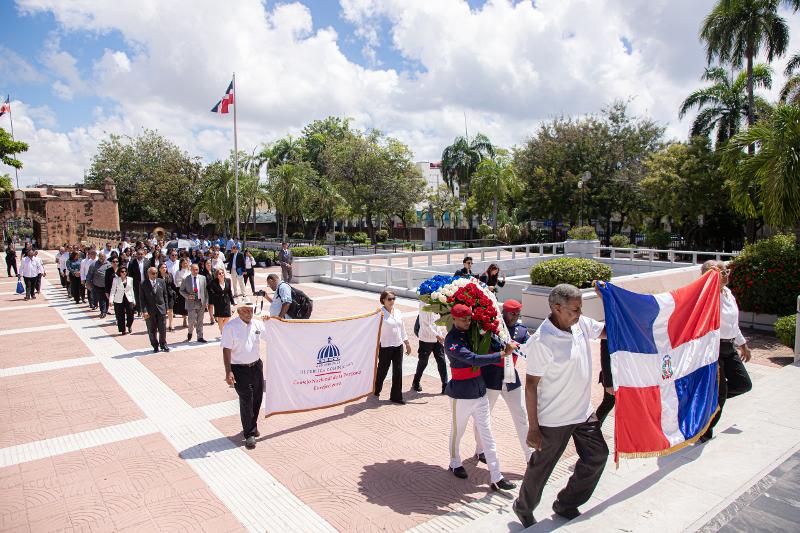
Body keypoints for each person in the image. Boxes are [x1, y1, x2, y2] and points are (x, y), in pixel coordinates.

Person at [513, 284, 608, 527]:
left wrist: (609, 300)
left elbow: (608, 331)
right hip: (554, 419)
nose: (579, 313)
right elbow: (531, 385)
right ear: (557, 308)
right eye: (574, 309)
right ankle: (523, 507)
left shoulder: (581, 325)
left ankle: (565, 503)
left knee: (597, 456)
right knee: (542, 468)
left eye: (580, 309)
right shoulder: (543, 341)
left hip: (583, 413)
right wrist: (533, 428)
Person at [445, 303, 517, 491]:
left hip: (479, 391)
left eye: (469, 318)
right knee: (457, 431)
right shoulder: (451, 339)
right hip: (460, 395)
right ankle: (454, 462)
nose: (467, 322)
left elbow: (488, 345)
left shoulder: (473, 332)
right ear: (453, 318)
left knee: (487, 433)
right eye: (463, 319)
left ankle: (496, 475)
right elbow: (473, 359)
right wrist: (502, 354)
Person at [700, 260, 752, 443]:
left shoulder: (728, 293)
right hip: (714, 349)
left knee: (744, 384)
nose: (726, 274)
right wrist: (710, 278)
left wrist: (743, 344)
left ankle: (710, 403)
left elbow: (732, 324)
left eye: (726, 270)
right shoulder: (708, 294)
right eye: (721, 271)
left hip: (729, 347)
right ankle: (705, 432)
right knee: (720, 393)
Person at [474, 299, 532, 464]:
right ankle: (480, 449)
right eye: (512, 313)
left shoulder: (521, 331)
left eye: (517, 314)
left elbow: (529, 348)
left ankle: (530, 455)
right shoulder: (492, 328)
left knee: (521, 415)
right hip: (490, 376)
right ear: (504, 312)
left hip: (511, 377)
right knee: (483, 416)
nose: (515, 317)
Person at [222, 305, 265, 449]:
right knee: (246, 399)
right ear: (239, 312)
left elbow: (272, 335)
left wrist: (272, 321)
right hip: (239, 369)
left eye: (251, 310)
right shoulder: (230, 327)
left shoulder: (257, 324)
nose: (249, 313)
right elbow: (226, 349)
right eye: (245, 311)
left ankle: (252, 425)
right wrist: (228, 371)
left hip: (256, 366)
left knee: (258, 398)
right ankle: (249, 434)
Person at [374, 290, 412, 404]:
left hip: (398, 345)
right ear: (383, 300)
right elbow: (374, 331)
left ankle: (396, 396)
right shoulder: (379, 314)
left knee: (398, 371)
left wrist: (407, 343)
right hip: (385, 346)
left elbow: (402, 329)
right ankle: (376, 389)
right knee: (382, 370)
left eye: (393, 298)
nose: (392, 301)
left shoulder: (398, 312)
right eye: (389, 299)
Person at [412, 301, 448, 395]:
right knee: (423, 362)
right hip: (426, 339)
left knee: (442, 361)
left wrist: (440, 335)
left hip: (437, 340)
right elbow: (425, 325)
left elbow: (436, 323)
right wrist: (437, 335)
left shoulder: (436, 302)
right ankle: (416, 382)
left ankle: (445, 385)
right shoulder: (423, 305)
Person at [139, 266, 170, 353]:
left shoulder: (161, 281)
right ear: (148, 274)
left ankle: (163, 344)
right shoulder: (143, 284)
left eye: (156, 273)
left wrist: (166, 308)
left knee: (162, 329)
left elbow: (165, 295)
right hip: (150, 310)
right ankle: (155, 345)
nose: (155, 275)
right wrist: (144, 311)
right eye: (153, 273)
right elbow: (142, 299)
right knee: (151, 330)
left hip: (161, 309)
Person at [180, 263, 208, 343]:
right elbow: (181, 290)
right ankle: (190, 332)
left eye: (197, 269)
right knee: (191, 320)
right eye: (194, 269)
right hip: (191, 303)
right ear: (190, 270)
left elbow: (205, 291)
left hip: (200, 302)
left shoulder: (203, 278)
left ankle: (200, 336)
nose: (196, 271)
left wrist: (206, 301)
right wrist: (187, 296)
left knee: (200, 320)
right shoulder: (186, 279)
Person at [109, 266, 136, 334]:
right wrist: (111, 300)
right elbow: (113, 290)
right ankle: (122, 329)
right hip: (119, 299)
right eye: (122, 271)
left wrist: (134, 300)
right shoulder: (116, 279)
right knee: (120, 315)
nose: (124, 273)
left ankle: (129, 325)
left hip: (128, 298)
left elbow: (131, 290)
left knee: (131, 313)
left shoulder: (130, 279)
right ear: (119, 272)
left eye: (125, 271)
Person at [208, 267, 236, 332]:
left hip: (226, 301)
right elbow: (209, 289)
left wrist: (232, 302)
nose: (221, 274)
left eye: (222, 273)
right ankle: (222, 332)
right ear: (217, 275)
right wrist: (215, 296)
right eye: (219, 273)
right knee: (220, 317)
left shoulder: (228, 280)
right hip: (218, 302)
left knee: (228, 316)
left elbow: (229, 291)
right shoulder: (214, 282)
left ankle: (222, 328)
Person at [87, 253, 112, 318]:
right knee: (101, 299)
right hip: (98, 285)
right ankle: (103, 312)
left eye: (103, 256)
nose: (101, 258)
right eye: (100, 256)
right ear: (98, 257)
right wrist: (88, 283)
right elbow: (89, 274)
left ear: (105, 257)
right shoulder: (93, 265)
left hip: (107, 285)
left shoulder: (109, 264)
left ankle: (105, 310)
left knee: (107, 299)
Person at [128, 248, 150, 317]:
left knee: (146, 296)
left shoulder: (147, 261)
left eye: (141, 254)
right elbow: (130, 274)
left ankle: (146, 309)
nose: (140, 255)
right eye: (138, 254)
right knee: (138, 297)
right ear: (136, 255)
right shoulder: (132, 262)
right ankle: (139, 310)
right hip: (136, 283)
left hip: (146, 282)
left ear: (144, 254)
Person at [157, 263, 176, 332]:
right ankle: (162, 325)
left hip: (169, 294)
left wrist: (174, 292)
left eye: (165, 267)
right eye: (162, 267)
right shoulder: (157, 277)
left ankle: (171, 325)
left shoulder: (169, 275)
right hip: (161, 295)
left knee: (170, 310)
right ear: (159, 269)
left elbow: (173, 284)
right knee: (163, 311)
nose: (164, 269)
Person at [173, 258, 190, 328]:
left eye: (186, 263)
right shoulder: (178, 272)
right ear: (181, 264)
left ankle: (191, 319)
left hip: (190, 290)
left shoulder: (190, 271)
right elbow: (176, 282)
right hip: (182, 290)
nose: (185, 264)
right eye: (183, 263)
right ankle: (184, 319)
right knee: (183, 305)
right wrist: (183, 282)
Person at [201, 258, 216, 325]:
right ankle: (211, 318)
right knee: (210, 305)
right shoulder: (203, 273)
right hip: (208, 291)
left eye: (209, 263)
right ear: (204, 264)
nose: (208, 264)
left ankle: (216, 316)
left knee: (216, 304)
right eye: (207, 263)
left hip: (215, 290)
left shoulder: (214, 270)